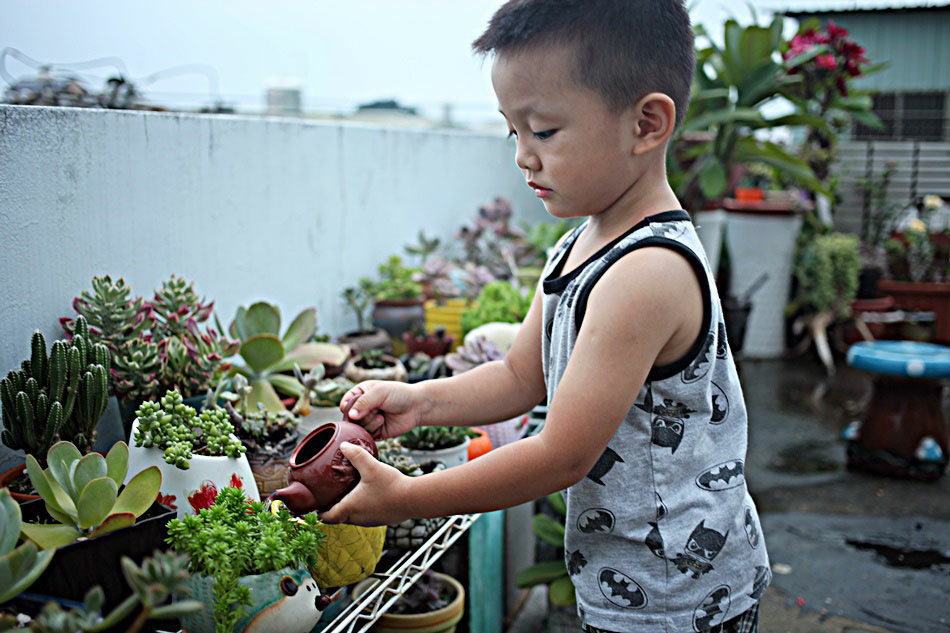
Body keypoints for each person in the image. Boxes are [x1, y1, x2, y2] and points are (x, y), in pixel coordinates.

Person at [320, 1, 770, 630]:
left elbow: (562, 455)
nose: (523, 157)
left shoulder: (649, 273)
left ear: (646, 123)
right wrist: (420, 403)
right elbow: (518, 379)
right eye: (513, 132)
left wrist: (405, 500)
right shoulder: (578, 245)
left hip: (680, 598)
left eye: (544, 132)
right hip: (623, 580)